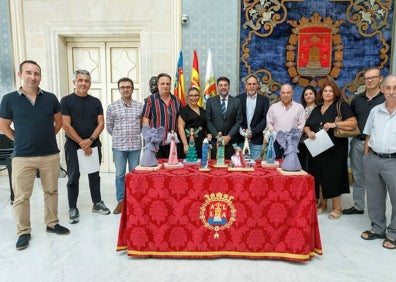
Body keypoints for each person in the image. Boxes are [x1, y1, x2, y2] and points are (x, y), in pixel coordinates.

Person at [0, 60, 70, 250]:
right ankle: (23, 232)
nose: (33, 77)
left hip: (49, 155)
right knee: (22, 196)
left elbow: (59, 123)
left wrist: (46, 137)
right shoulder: (9, 99)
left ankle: (52, 223)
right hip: (23, 156)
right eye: (29, 73)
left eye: (36, 73)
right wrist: (20, 139)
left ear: (40, 76)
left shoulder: (50, 98)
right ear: (20, 74)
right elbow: (4, 126)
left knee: (51, 191)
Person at [60, 69, 110, 224]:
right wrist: (82, 143)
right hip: (73, 145)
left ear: (90, 83)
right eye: (80, 80)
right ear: (74, 82)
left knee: (94, 175)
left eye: (86, 81)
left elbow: (101, 123)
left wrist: (90, 140)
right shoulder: (66, 101)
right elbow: (66, 125)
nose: (83, 83)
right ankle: (73, 207)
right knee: (73, 177)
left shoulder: (95, 102)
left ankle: (97, 203)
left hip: (93, 144)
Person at [304, 80, 357, 220]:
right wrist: (309, 132)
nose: (327, 93)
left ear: (335, 93)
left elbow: (353, 123)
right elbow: (307, 125)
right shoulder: (318, 108)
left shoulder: (341, 106)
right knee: (320, 176)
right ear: (321, 93)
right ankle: (322, 204)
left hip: (336, 149)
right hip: (318, 149)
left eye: (330, 91)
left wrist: (335, 124)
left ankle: (336, 208)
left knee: (333, 177)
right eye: (325, 91)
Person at [360, 74, 396, 249]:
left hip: (394, 161)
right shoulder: (375, 111)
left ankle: (394, 232)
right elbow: (368, 135)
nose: (391, 92)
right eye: (388, 88)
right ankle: (378, 228)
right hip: (373, 158)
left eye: (395, 88)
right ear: (382, 90)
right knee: (374, 197)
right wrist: (366, 157)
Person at [343, 67, 385, 215]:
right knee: (358, 175)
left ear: (380, 79)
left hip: (378, 146)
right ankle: (359, 206)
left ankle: (377, 212)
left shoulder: (386, 99)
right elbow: (351, 120)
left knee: (376, 179)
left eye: (373, 77)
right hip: (357, 142)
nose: (370, 80)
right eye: (367, 78)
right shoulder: (357, 99)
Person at [106, 77, 143, 214]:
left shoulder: (140, 106)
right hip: (119, 147)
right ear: (119, 89)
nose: (126, 89)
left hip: (135, 146)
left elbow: (142, 126)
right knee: (120, 175)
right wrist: (119, 136)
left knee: (134, 175)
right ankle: (121, 202)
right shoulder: (112, 107)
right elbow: (109, 127)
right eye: (123, 87)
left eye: (128, 87)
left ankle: (133, 200)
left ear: (132, 89)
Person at [142, 73, 182, 158]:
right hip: (156, 143)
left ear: (170, 85)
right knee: (156, 169)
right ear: (158, 85)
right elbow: (145, 120)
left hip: (172, 143)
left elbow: (180, 122)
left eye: (167, 84)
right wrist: (149, 140)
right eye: (162, 83)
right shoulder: (150, 100)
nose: (165, 86)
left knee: (172, 168)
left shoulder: (177, 101)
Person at [206, 76, 243, 159]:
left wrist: (229, 137)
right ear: (217, 87)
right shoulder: (210, 101)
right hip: (215, 142)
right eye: (221, 85)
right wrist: (217, 136)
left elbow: (239, 121)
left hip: (231, 142)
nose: (223, 87)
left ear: (229, 87)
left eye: (225, 85)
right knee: (215, 168)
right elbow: (208, 120)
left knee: (231, 168)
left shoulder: (236, 101)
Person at [266, 84, 305, 159]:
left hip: (292, 143)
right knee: (276, 164)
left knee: (291, 165)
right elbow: (269, 122)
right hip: (276, 142)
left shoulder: (299, 107)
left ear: (292, 93)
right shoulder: (273, 107)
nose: (285, 95)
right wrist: (275, 135)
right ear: (280, 94)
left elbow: (301, 124)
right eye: (283, 93)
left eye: (288, 92)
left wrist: (294, 136)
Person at [237, 74, 269, 160]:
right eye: (249, 84)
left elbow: (265, 119)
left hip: (256, 139)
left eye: (254, 84)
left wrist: (253, 132)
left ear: (257, 85)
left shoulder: (264, 100)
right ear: (246, 85)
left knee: (255, 167)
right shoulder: (238, 99)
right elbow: (236, 118)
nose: (251, 86)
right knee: (241, 165)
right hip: (241, 139)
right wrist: (242, 132)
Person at [177, 87, 207, 159]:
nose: (194, 98)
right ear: (187, 97)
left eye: (196, 95)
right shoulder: (183, 111)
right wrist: (185, 144)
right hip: (189, 142)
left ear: (199, 96)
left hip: (201, 142)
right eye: (191, 95)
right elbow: (180, 128)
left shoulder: (202, 110)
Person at [298, 85, 317, 171]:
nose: (308, 96)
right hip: (301, 141)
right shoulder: (299, 109)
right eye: (306, 94)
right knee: (302, 165)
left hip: (315, 140)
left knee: (313, 166)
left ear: (315, 95)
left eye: (311, 93)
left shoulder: (320, 109)